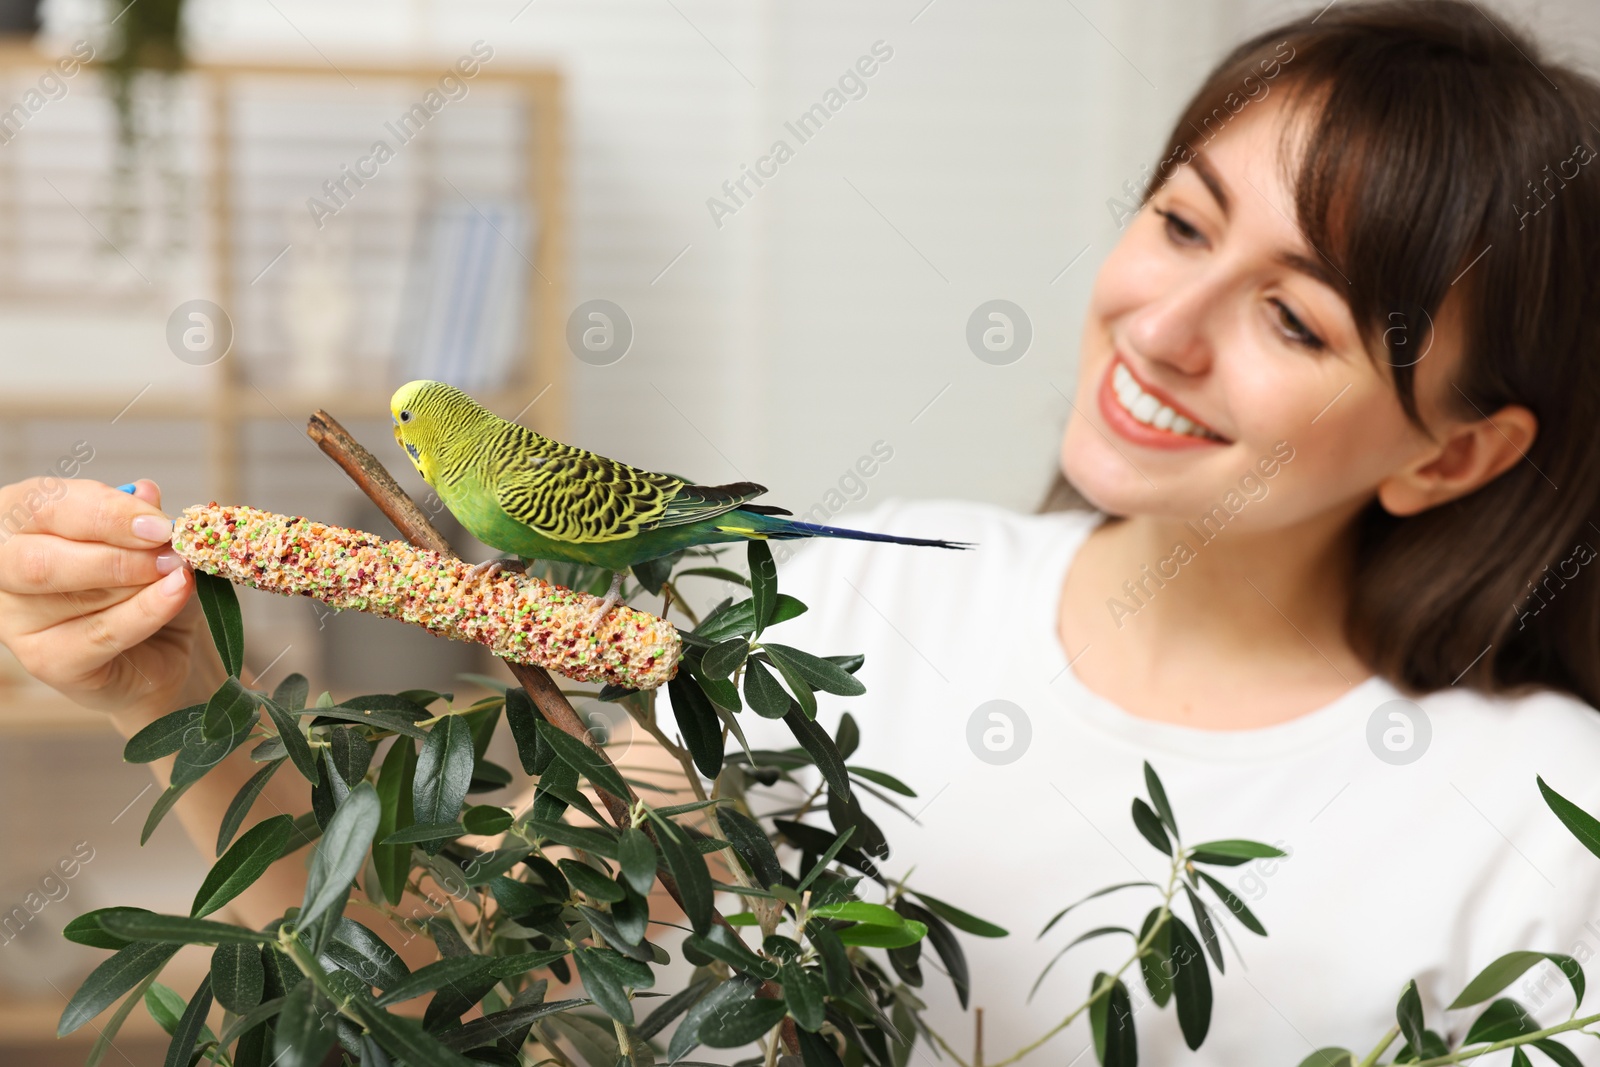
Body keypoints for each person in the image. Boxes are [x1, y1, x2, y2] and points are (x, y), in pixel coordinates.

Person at [5, 0, 1600, 1062]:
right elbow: (463, 963)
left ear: (1455, 455)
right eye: (1179, 221)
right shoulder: (829, 610)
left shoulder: (1541, 830)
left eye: (1294, 318)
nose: (1161, 326)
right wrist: (173, 702)